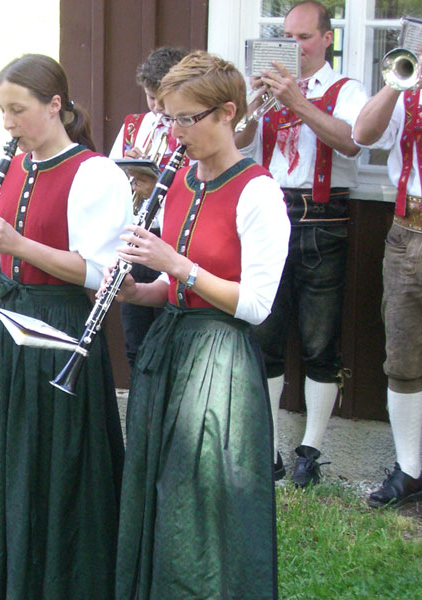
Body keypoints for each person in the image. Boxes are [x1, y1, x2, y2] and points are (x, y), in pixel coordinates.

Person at [0, 53, 131, 599]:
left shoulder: (94, 173)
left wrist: (18, 244)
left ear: (55, 106)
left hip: (61, 330)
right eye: (2, 110)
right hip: (3, 327)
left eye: (17, 110)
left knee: (55, 467)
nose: (7, 123)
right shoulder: (12, 166)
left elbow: (100, 271)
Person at [113, 50, 289, 600]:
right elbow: (177, 281)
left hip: (220, 360)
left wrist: (178, 265)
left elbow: (256, 304)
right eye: (169, 118)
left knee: (207, 500)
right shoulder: (182, 179)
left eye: (186, 119)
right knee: (159, 484)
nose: (175, 131)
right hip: (172, 343)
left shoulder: (259, 192)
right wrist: (139, 290)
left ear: (226, 113)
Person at [235, 0, 367, 486]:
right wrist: (252, 105)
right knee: (264, 335)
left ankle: (311, 450)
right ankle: (267, 448)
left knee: (319, 341)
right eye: (286, 38)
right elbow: (239, 144)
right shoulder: (268, 92)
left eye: (304, 38)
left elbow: (352, 141)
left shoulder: (346, 89)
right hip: (270, 217)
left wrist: (297, 103)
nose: (294, 47)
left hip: (323, 219)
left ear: (327, 39)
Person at [352, 55, 422, 508]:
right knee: (402, 355)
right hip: (408, 231)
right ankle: (410, 470)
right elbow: (362, 135)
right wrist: (398, 82)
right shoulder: (408, 89)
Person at [109, 46, 188, 369]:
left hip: (175, 238)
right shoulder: (133, 125)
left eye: (161, 98)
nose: (155, 107)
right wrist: (133, 169)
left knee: (172, 339)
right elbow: (113, 175)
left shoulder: (190, 128)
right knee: (136, 337)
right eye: (149, 97)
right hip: (140, 236)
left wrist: (157, 183)